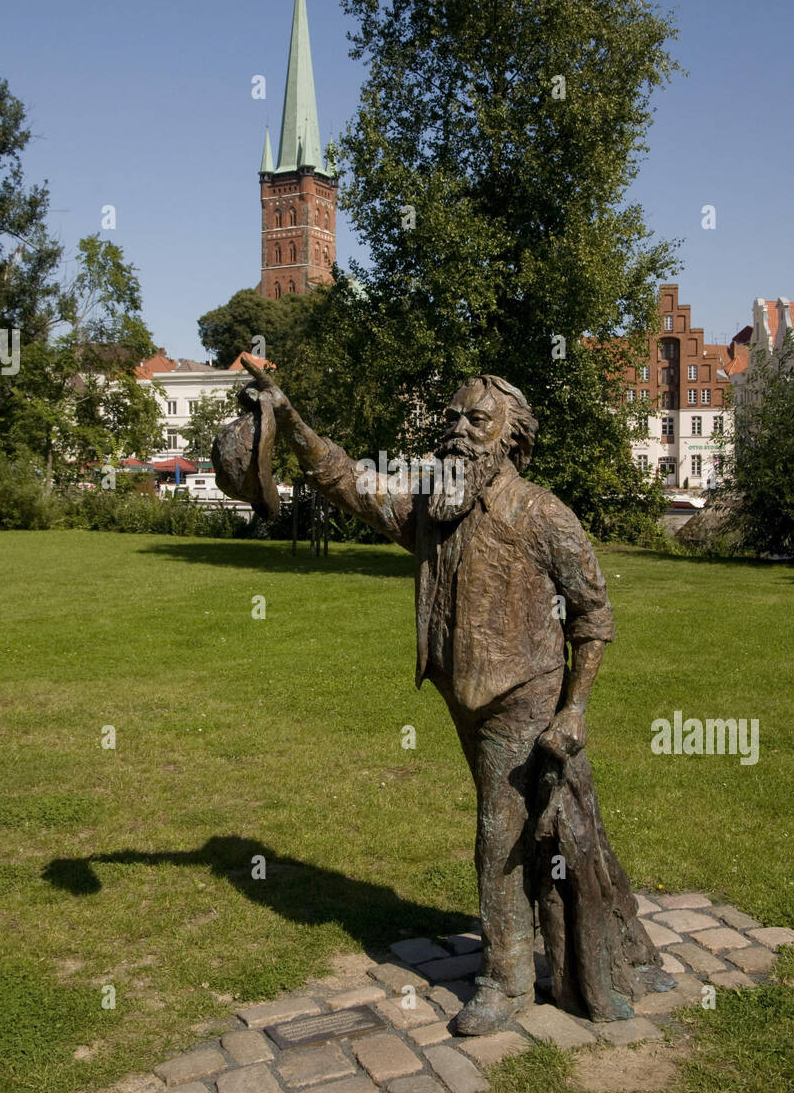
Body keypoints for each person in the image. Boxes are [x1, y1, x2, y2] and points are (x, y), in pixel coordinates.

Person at [226, 360, 673, 1033]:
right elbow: (347, 479)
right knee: (566, 826)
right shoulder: (432, 513)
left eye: (475, 420)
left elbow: (592, 618)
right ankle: (623, 952)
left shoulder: (542, 515)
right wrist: (286, 419)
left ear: (512, 440)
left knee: (500, 835)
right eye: (451, 419)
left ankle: (507, 980)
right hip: (463, 695)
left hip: (525, 695)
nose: (456, 432)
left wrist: (574, 707)